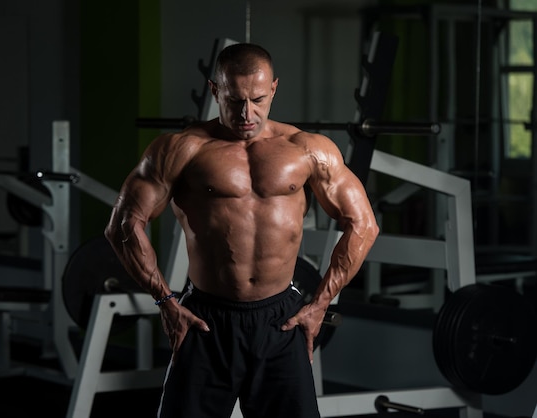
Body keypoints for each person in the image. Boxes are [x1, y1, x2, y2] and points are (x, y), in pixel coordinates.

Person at [104, 43, 379, 418]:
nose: (247, 113)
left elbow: (363, 224)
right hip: (205, 320)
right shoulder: (180, 149)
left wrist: (320, 304)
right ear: (215, 90)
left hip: (279, 320)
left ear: (274, 89)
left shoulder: (308, 150)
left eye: (258, 99)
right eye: (234, 100)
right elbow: (122, 225)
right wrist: (165, 302)